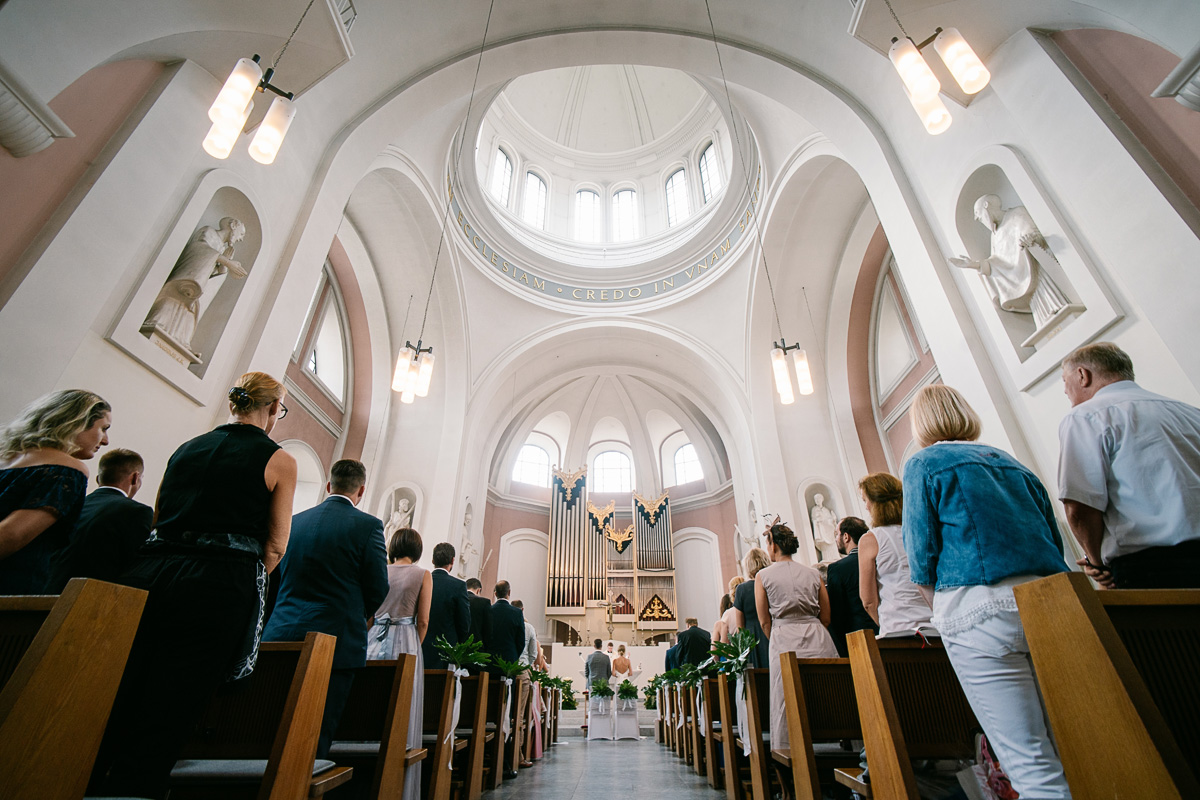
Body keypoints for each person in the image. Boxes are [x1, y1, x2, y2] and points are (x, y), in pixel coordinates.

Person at [91, 372, 297, 799]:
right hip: (217, 583)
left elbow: (159, 514)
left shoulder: (188, 447)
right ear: (273, 409)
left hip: (151, 574)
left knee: (124, 687)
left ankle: (87, 782)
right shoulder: (279, 459)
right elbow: (276, 545)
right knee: (175, 701)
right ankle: (136, 790)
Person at [904, 384, 1071, 799]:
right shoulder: (1010, 461)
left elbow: (921, 556)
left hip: (979, 613)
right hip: (1051, 604)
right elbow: (1053, 536)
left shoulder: (923, 463)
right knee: (1074, 744)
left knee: (1028, 760)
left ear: (920, 424)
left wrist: (941, 610)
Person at [261, 459, 389, 758]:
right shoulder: (368, 526)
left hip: (280, 633)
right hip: (335, 639)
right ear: (361, 491)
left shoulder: (296, 521)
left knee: (269, 725)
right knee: (316, 732)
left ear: (329, 486)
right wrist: (355, 614)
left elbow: (274, 578)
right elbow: (377, 587)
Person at [1057, 341, 1200, 588]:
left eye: (1064, 381)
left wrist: (1096, 562)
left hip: (1154, 568)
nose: (1065, 392)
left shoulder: (1085, 416)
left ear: (1082, 375)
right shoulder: (1190, 412)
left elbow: (1080, 505)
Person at [0, 389, 110, 594]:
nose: (105, 440)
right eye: (104, 428)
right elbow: (11, 535)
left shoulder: (5, 459)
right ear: (76, 422)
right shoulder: (67, 469)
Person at [756, 522, 838, 751]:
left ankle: (788, 750)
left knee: (786, 698)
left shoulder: (763, 576)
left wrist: (779, 635)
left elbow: (764, 620)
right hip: (817, 636)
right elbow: (826, 615)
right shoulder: (813, 573)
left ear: (773, 544)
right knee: (827, 692)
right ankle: (839, 743)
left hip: (783, 638)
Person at [366, 527, 430, 800]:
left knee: (368, 702)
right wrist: (414, 641)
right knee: (403, 706)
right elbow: (424, 620)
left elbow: (368, 612)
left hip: (373, 638)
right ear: (417, 550)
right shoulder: (422, 574)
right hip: (405, 638)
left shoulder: (379, 569)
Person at [48, 447, 149, 592]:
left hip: (50, 591)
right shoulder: (136, 511)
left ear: (98, 479)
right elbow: (137, 566)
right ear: (135, 477)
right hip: (94, 597)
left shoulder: (73, 506)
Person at [857, 473, 934, 638]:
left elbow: (868, 601)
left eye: (865, 500)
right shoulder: (922, 530)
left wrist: (885, 623)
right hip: (936, 622)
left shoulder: (871, 539)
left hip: (899, 626)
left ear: (875, 502)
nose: (865, 506)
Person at [825, 516, 879, 657]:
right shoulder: (880, 560)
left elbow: (837, 614)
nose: (836, 539)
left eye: (837, 534)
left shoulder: (838, 569)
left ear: (846, 537)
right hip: (887, 629)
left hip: (859, 638)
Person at [490, 580, 528, 777]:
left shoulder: (489, 611)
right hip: (509, 669)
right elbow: (520, 642)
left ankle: (488, 756)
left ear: (494, 593)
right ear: (509, 593)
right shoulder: (516, 613)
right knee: (509, 713)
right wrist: (511, 658)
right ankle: (505, 762)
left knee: (490, 711)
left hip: (490, 668)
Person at [422, 542, 470, 669]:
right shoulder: (458, 586)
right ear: (453, 561)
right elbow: (464, 623)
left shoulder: (422, 580)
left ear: (433, 559)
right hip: (446, 650)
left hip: (421, 646)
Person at [732, 547, 772, 668]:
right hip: (773, 631)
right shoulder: (771, 583)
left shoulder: (742, 589)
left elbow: (740, 627)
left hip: (752, 638)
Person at [465, 576, 493, 671]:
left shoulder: (458, 598)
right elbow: (488, 630)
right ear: (478, 590)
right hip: (476, 652)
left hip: (457, 651)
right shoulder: (483, 602)